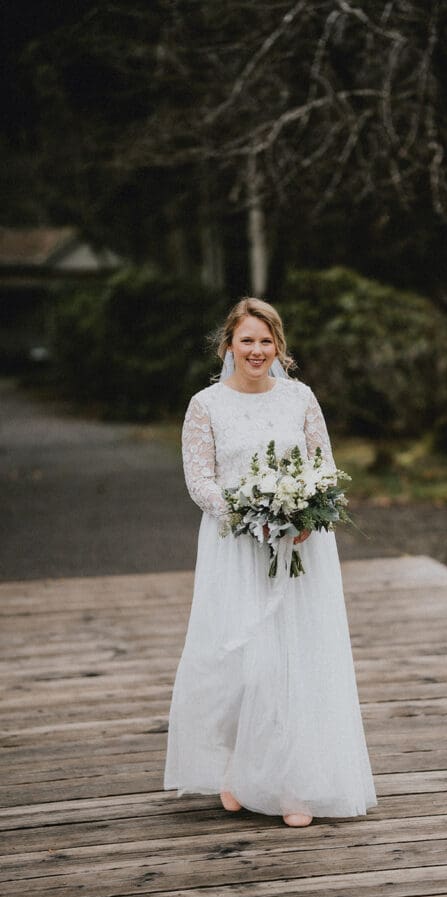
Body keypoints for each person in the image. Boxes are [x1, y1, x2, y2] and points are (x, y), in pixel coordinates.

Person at [163, 297, 377, 827]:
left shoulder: (300, 398)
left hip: (299, 549)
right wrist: (247, 517)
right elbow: (200, 481)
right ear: (228, 345)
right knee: (241, 661)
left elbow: (324, 468)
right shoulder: (205, 405)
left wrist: (307, 512)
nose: (257, 350)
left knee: (294, 660)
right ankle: (236, 768)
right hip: (234, 547)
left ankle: (291, 783)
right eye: (247, 340)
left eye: (266, 341)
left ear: (278, 346)